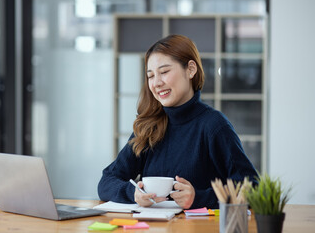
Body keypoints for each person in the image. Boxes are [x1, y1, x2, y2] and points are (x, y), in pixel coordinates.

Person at [98, 34, 258, 209]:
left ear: (190, 69)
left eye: (164, 72)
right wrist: (133, 194)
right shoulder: (148, 126)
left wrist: (198, 197)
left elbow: (252, 188)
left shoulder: (214, 125)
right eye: (150, 76)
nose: (156, 83)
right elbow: (106, 182)